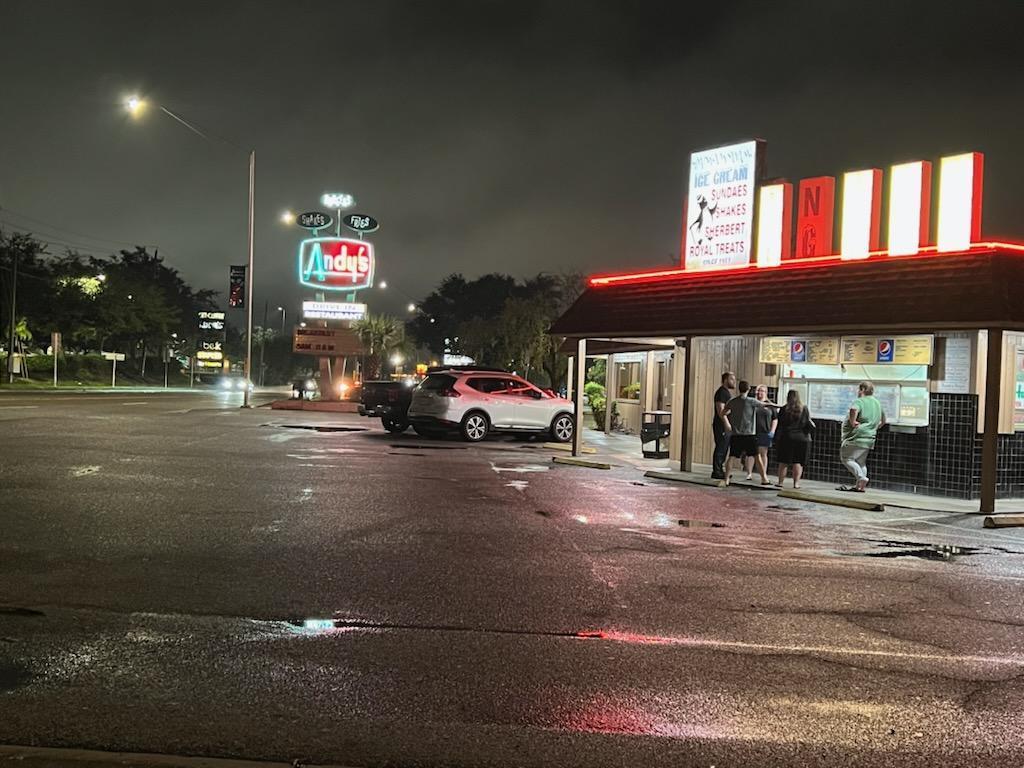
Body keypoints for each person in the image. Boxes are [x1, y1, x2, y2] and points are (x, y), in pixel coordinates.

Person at [839, 381, 886, 492]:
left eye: (859, 389)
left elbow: (853, 409)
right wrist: (877, 426)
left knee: (846, 458)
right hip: (870, 438)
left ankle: (861, 478)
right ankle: (860, 487)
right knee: (861, 462)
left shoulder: (860, 401)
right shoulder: (877, 403)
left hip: (857, 436)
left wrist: (853, 421)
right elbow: (884, 419)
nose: (858, 392)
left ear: (863, 390)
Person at [775, 390, 814, 489]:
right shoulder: (804, 409)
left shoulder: (784, 409)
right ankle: (796, 484)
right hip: (802, 439)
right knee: (797, 462)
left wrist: (777, 438)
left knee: (783, 462)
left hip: (787, 438)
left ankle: (780, 482)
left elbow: (780, 425)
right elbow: (808, 423)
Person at [723, 380, 758, 485]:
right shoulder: (752, 401)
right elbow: (765, 404)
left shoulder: (732, 401)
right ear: (749, 389)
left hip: (736, 434)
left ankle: (726, 479)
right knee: (757, 456)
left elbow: (723, 412)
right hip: (749, 434)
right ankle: (764, 478)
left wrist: (729, 420)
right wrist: (779, 406)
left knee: (732, 456)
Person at [744, 384, 778, 485]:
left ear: (766, 393)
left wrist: (772, 431)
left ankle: (763, 473)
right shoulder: (752, 403)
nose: (760, 393)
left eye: (762, 391)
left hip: (765, 432)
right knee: (751, 453)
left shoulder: (770, 405)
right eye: (758, 391)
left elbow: (775, 419)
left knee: (763, 454)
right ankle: (749, 473)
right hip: (752, 431)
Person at [711, 371, 736, 479]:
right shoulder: (722, 393)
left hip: (724, 425)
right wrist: (726, 423)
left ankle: (720, 470)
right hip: (721, 425)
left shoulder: (726, 393)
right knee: (721, 448)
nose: (734, 381)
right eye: (731, 379)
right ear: (726, 380)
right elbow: (720, 410)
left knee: (724, 448)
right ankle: (717, 471)